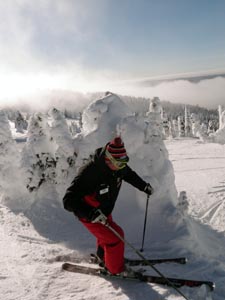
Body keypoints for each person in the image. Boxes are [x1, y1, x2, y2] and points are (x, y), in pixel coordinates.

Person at [63, 136, 153, 275]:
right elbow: (68, 200)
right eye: (119, 163)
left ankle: (104, 257)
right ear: (108, 158)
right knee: (116, 237)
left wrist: (143, 187)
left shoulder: (119, 165)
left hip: (104, 209)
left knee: (106, 236)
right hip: (90, 213)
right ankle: (116, 270)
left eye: (124, 163)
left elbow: (129, 175)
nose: (122, 167)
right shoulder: (90, 172)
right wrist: (90, 213)